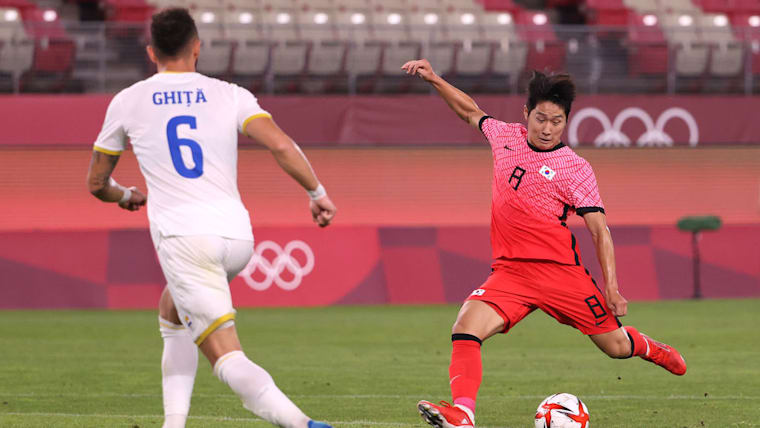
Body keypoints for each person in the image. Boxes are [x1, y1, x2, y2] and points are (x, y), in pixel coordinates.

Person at [401, 59, 686, 428]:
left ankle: (651, 348)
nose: (547, 128)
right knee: (465, 328)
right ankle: (463, 414)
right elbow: (468, 110)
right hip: (511, 273)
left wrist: (612, 289)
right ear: (526, 114)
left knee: (616, 347)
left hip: (562, 276)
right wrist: (434, 79)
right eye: (540, 119)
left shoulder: (575, 168)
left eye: (556, 121)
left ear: (567, 122)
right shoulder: (504, 137)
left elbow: (600, 230)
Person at [86, 8, 336, 428]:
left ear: (151, 52)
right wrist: (317, 192)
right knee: (172, 311)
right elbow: (280, 145)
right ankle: (174, 423)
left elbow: (96, 182)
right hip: (237, 238)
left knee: (226, 356)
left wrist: (125, 195)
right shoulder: (230, 94)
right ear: (197, 47)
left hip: (186, 239)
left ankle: (304, 424)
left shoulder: (128, 100)